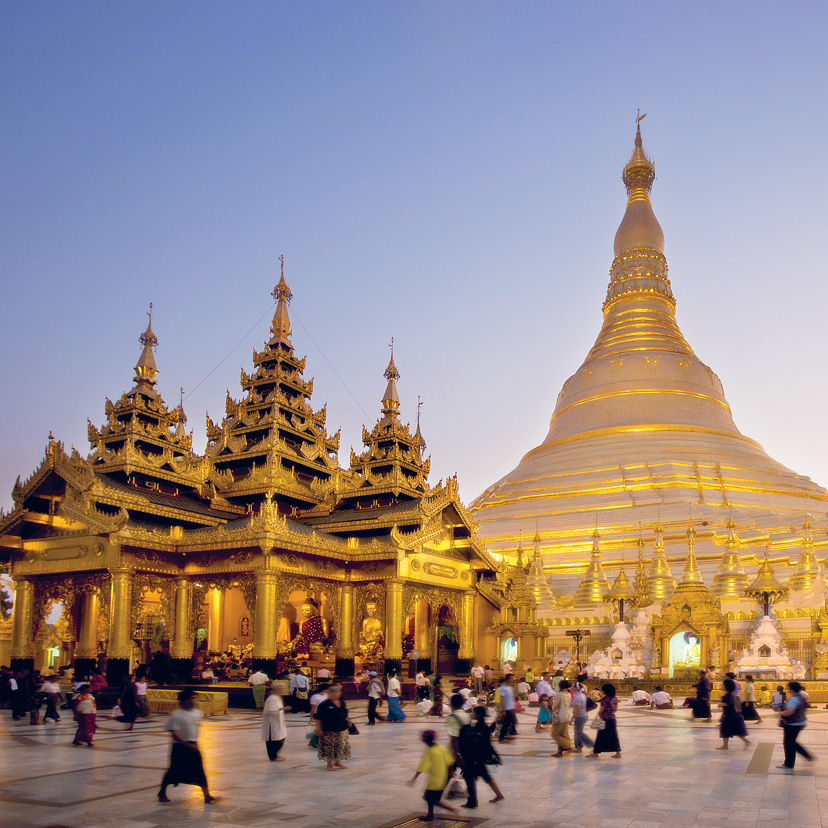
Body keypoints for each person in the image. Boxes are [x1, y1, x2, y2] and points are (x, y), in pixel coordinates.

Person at [158, 689, 217, 803]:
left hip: (193, 745)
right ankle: (162, 792)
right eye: (190, 698)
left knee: (199, 770)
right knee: (173, 771)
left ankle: (207, 795)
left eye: (193, 698)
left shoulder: (197, 713)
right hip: (180, 747)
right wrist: (187, 745)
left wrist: (194, 744)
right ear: (183, 701)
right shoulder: (176, 714)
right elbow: (174, 734)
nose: (192, 701)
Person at [410, 730, 456, 821]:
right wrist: (451, 773)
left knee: (431, 799)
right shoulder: (441, 747)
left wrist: (414, 778)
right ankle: (430, 814)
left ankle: (449, 809)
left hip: (434, 781)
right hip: (444, 778)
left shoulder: (430, 751)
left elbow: (422, 767)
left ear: (425, 740)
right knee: (431, 798)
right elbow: (449, 761)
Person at [447, 693, 477, 808]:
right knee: (469, 776)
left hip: (457, 751)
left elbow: (454, 737)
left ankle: (436, 795)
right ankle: (472, 801)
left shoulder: (452, 717)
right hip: (469, 749)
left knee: (448, 773)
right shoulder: (467, 715)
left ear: (451, 704)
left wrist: (456, 753)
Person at [314, 684, 351, 771]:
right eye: (334, 693)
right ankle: (329, 763)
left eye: (338, 692)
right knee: (329, 746)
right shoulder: (324, 704)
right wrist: (318, 729)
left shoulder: (342, 703)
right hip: (328, 728)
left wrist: (348, 722)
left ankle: (338, 761)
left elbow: (345, 714)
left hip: (341, 727)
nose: (336, 694)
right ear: (329, 694)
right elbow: (318, 717)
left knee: (341, 745)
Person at [777, 681, 813, 770]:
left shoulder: (794, 699)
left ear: (791, 689)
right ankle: (806, 755)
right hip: (800, 722)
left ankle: (789, 763)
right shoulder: (802, 696)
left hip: (793, 723)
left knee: (788, 743)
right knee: (791, 742)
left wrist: (780, 713)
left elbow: (790, 712)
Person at [588, 683, 621, 759]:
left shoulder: (605, 699)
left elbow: (601, 709)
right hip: (612, 719)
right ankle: (618, 752)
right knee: (614, 736)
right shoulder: (615, 698)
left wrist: (599, 715)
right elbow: (615, 709)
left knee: (600, 736)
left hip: (605, 719)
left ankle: (596, 753)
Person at [262, 680, 291, 762]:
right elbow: (269, 710)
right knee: (273, 740)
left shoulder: (278, 697)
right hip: (272, 723)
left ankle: (275, 754)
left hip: (277, 722)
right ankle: (273, 756)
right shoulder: (272, 698)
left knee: (280, 738)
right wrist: (282, 708)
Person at [717, 678, 749, 750]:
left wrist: (721, 704)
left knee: (725, 729)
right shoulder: (732, 694)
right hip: (733, 714)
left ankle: (725, 746)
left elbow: (729, 704)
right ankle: (726, 745)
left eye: (723, 685)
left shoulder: (728, 695)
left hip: (730, 715)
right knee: (733, 730)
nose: (721, 686)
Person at [551, 679, 573, 757]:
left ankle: (567, 746)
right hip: (566, 714)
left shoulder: (560, 694)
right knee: (564, 733)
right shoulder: (569, 694)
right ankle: (559, 751)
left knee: (555, 734)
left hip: (559, 716)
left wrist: (552, 706)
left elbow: (556, 704)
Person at [571, 681, 594, 753]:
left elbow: (577, 709)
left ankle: (590, 743)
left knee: (579, 733)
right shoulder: (580, 695)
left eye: (572, 686)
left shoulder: (578, 697)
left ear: (575, 688)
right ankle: (578, 747)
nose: (570, 687)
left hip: (580, 716)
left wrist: (571, 719)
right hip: (583, 715)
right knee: (577, 732)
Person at [497, 675, 517, 742]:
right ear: (507, 679)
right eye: (511, 678)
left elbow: (511, 698)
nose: (513, 679)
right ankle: (501, 737)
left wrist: (514, 706)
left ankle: (506, 735)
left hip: (511, 707)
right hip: (506, 708)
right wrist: (503, 710)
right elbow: (502, 699)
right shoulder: (503, 688)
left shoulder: (510, 687)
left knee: (510, 722)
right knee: (507, 722)